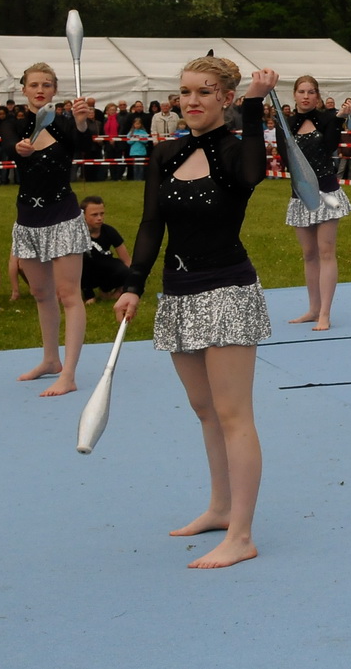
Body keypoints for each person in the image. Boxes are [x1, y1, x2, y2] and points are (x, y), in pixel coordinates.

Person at [113, 56, 278, 569]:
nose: (191, 100)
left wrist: (254, 106)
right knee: (205, 411)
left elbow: (254, 174)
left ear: (225, 98)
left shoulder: (233, 152)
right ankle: (220, 507)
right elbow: (149, 224)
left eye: (205, 92)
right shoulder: (164, 153)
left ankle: (243, 535)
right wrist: (133, 285)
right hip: (178, 295)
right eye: (185, 91)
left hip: (227, 291)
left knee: (233, 415)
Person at [10, 62, 95, 397]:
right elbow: (7, 146)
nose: (40, 89)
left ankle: (69, 373)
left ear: (55, 89)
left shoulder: (63, 124)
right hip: (28, 219)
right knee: (41, 294)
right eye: (34, 84)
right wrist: (17, 149)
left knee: (68, 295)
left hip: (63, 216)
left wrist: (81, 120)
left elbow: (84, 144)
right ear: (24, 89)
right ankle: (50, 360)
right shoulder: (13, 124)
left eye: (46, 84)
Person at [281, 75, 351, 331]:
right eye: (302, 91)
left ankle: (325, 312)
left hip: (328, 193)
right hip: (300, 196)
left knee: (326, 252)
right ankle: (313, 309)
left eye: (311, 92)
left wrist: (340, 118)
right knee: (309, 254)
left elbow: (332, 145)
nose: (306, 96)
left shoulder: (327, 120)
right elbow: (284, 157)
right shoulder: (286, 124)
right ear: (294, 94)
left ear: (318, 96)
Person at [78, 195, 138, 303]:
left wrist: (130, 283)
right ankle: (88, 294)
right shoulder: (76, 234)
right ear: (83, 216)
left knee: (123, 269)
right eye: (94, 215)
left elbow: (127, 260)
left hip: (104, 268)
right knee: (83, 258)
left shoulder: (109, 231)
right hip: (84, 271)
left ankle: (106, 290)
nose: (99, 218)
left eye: (102, 214)